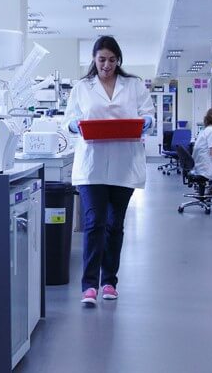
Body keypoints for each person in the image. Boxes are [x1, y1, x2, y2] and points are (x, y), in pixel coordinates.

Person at [66, 36, 155, 306]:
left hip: (123, 164)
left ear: (119, 60)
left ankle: (109, 282)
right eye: (102, 59)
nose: (106, 65)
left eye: (112, 60)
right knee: (94, 223)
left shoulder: (134, 85)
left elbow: (148, 114)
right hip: (92, 165)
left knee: (115, 225)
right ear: (94, 59)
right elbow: (69, 119)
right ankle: (89, 286)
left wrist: (146, 121)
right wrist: (76, 126)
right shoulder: (82, 87)